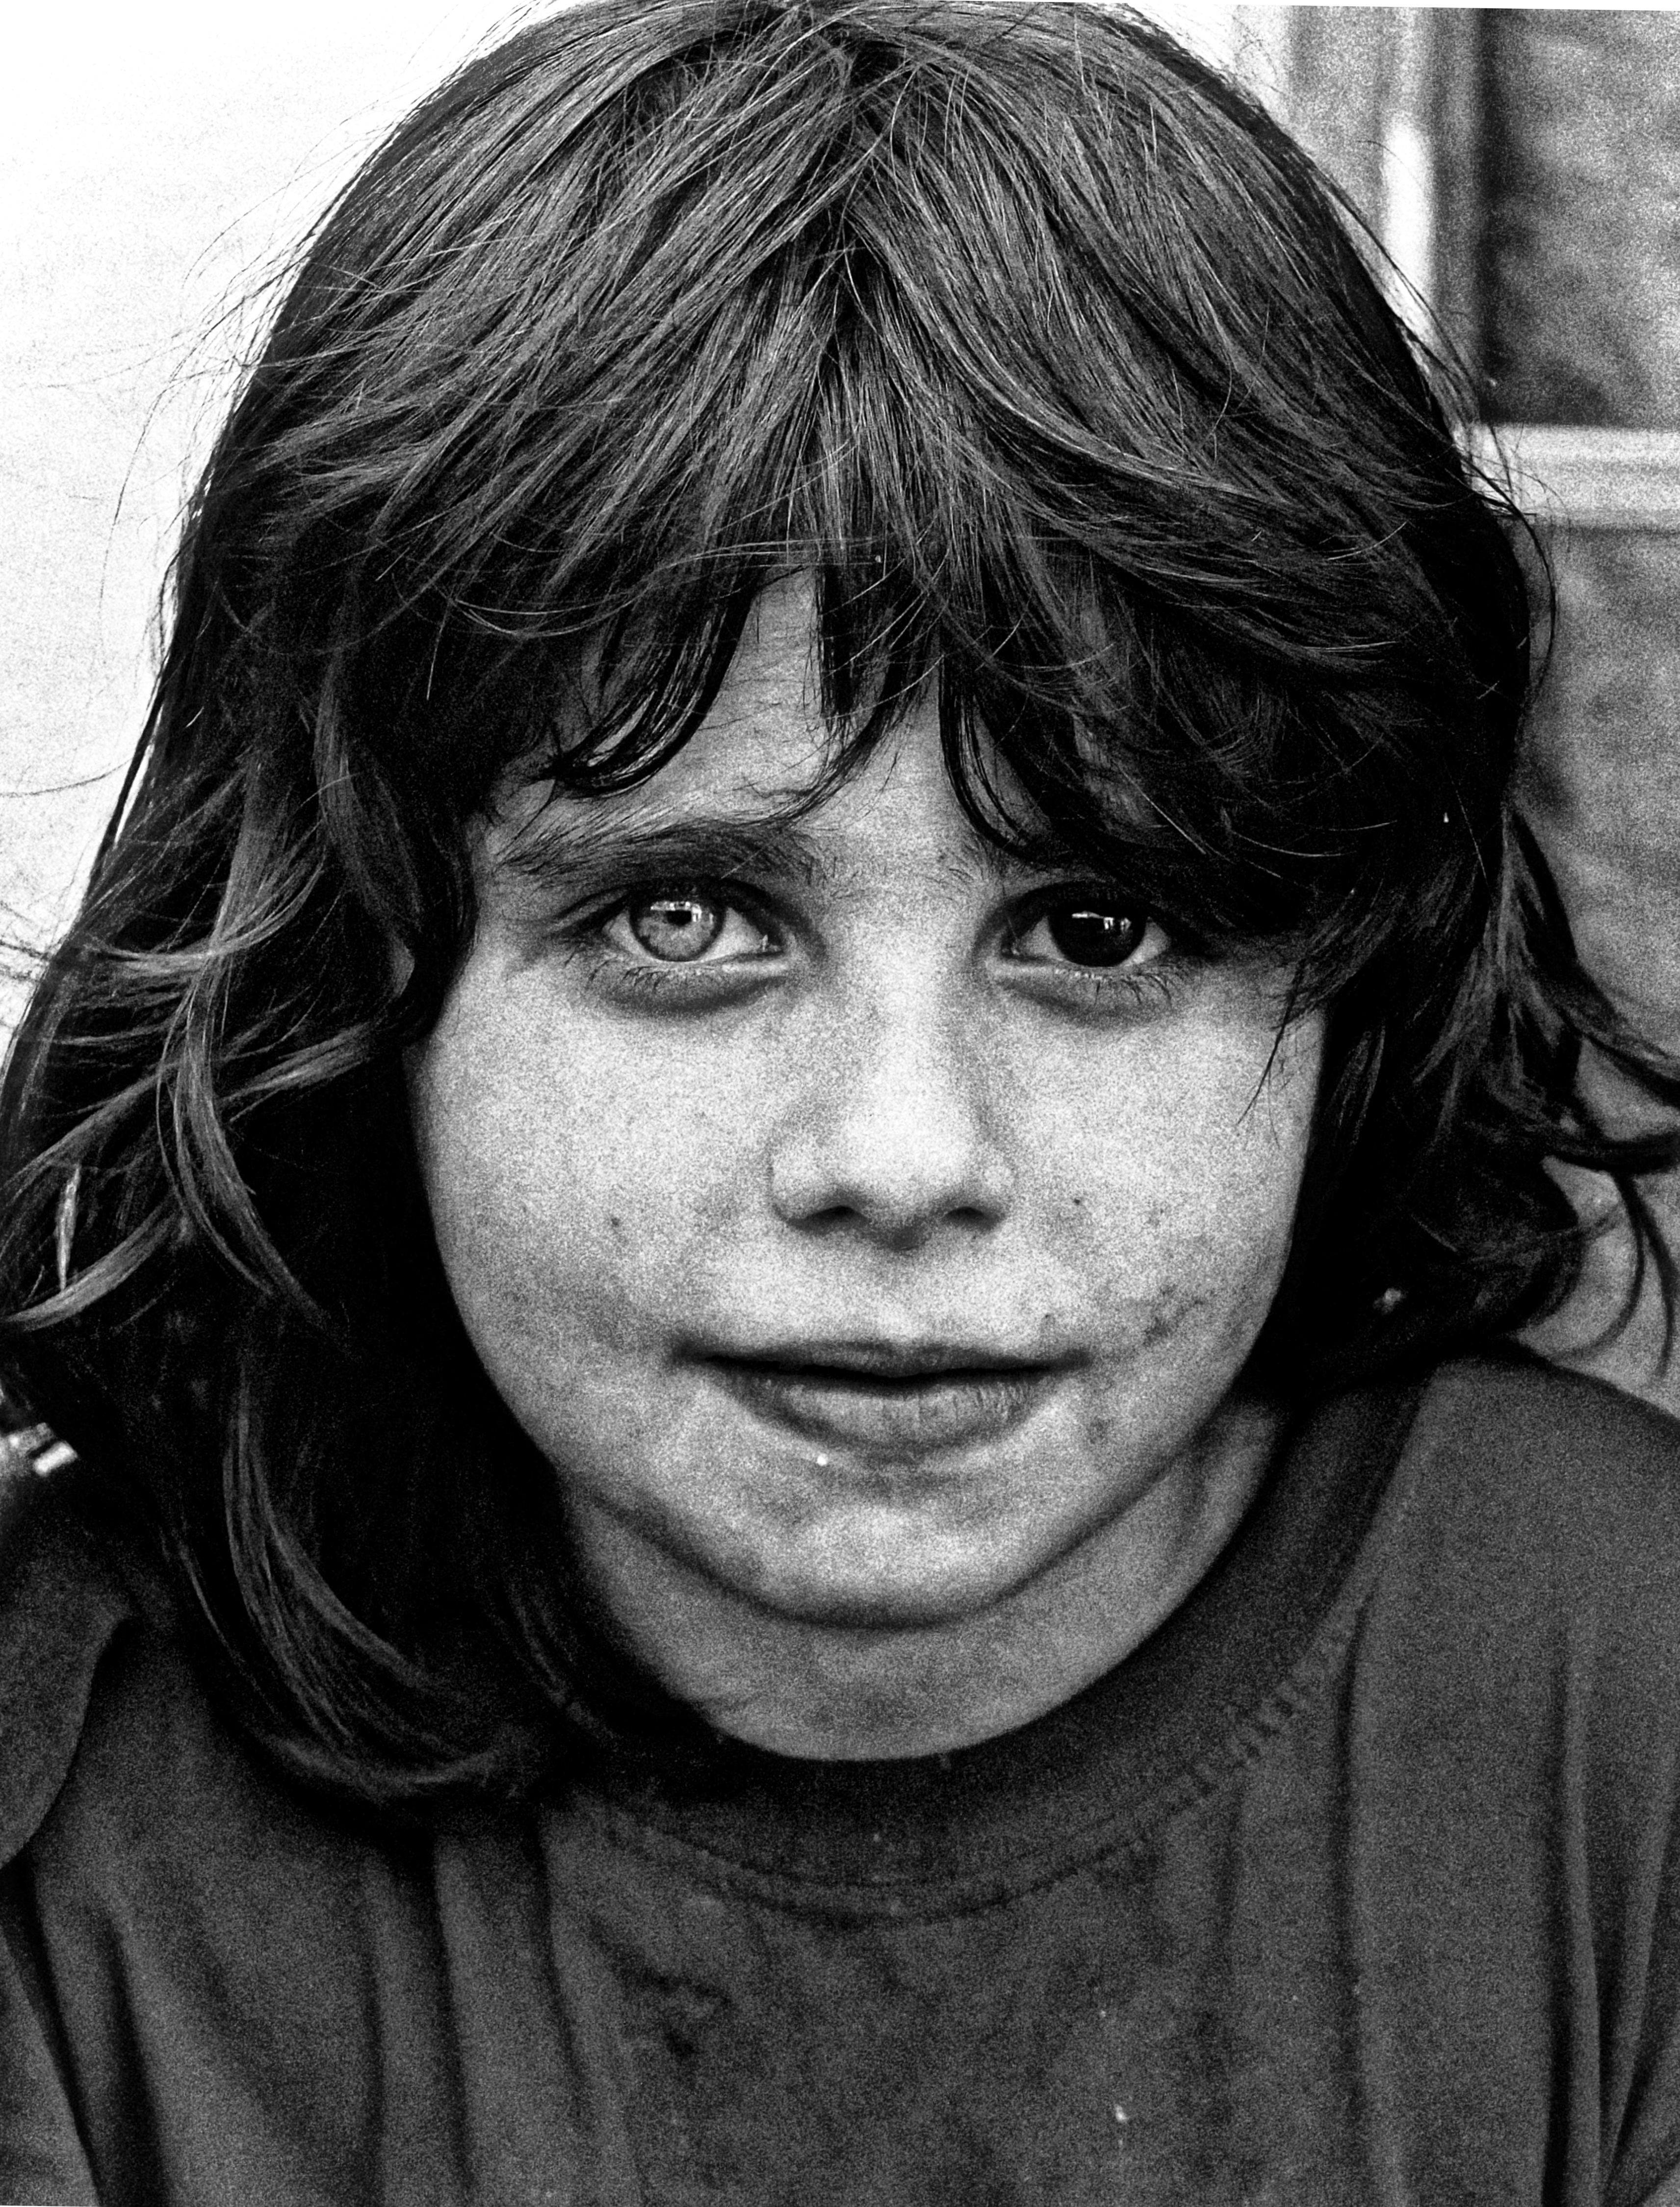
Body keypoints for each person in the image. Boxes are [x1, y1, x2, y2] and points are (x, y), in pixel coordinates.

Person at [2, 1, 1680, 2199]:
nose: (900, 1156)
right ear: (365, 979)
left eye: (1096, 931)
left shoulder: (1614, 1713)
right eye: (688, 920)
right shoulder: (80, 1810)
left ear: (1347, 976)